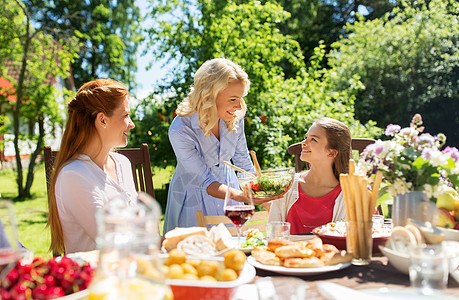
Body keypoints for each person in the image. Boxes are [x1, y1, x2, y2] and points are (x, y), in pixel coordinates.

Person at [163, 58, 255, 234]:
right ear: (209, 95)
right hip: (193, 198)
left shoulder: (234, 117)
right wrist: (244, 196)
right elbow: (206, 182)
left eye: (240, 98)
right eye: (233, 99)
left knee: (233, 251)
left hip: (230, 193)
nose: (238, 106)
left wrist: (262, 195)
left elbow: (243, 161)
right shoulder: (181, 129)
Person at [47, 79, 137, 255]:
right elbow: (113, 243)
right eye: (126, 115)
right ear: (102, 120)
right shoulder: (73, 175)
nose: (131, 123)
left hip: (131, 270)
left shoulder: (123, 164)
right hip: (94, 278)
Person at [268, 117, 351, 234]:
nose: (304, 143)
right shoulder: (287, 187)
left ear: (331, 153)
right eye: (306, 137)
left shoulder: (347, 194)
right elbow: (273, 235)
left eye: (313, 140)